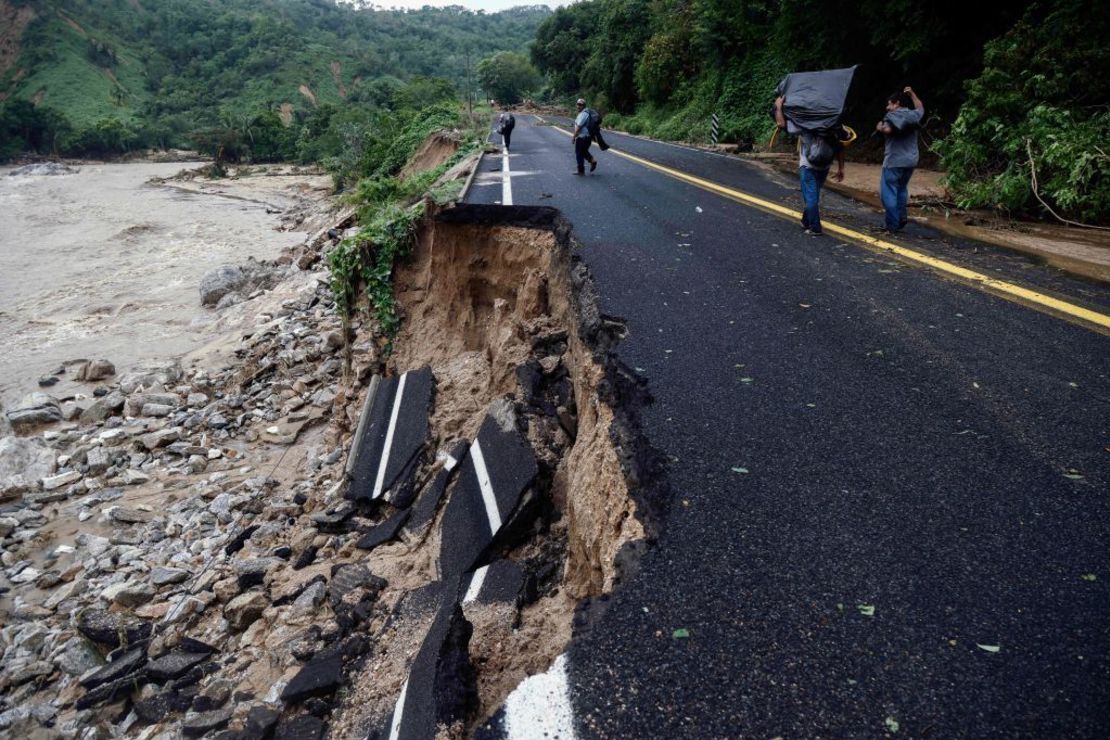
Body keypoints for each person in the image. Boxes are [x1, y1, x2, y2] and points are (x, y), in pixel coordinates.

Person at [774, 96, 845, 235]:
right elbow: (840, 146)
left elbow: (781, 124)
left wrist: (778, 106)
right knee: (813, 194)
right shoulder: (833, 124)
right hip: (824, 166)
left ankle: (815, 227)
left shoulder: (804, 122)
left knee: (811, 197)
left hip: (808, 166)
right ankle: (806, 220)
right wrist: (841, 167)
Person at [876, 86, 924, 232]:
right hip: (911, 161)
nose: (887, 107)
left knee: (888, 193)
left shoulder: (893, 117)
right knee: (901, 189)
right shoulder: (913, 115)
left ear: (896, 103)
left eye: (889, 104)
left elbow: (889, 130)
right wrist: (912, 94)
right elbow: (921, 108)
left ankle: (892, 224)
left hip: (894, 161)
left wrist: (880, 128)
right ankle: (902, 216)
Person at [572, 98, 597, 175]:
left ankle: (581, 171)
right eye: (577, 104)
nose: (578, 106)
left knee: (579, 153)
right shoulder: (582, 113)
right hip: (586, 137)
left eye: (580, 105)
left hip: (583, 137)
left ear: (583, 105)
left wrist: (574, 137)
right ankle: (592, 160)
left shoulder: (584, 114)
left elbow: (579, 127)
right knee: (583, 151)